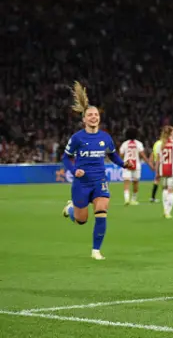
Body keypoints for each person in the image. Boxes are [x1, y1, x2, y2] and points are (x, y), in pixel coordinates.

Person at [61, 82, 134, 260]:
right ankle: (71, 209)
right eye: (90, 115)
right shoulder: (77, 138)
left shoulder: (105, 137)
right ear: (84, 119)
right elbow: (65, 158)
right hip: (81, 183)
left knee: (102, 211)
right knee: (81, 220)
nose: (93, 117)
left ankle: (96, 250)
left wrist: (124, 164)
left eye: (95, 115)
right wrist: (74, 170)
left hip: (99, 180)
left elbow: (113, 156)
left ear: (99, 118)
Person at [154, 126, 173, 219]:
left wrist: (157, 172)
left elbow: (158, 160)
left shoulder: (160, 144)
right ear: (172, 133)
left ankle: (165, 209)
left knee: (164, 189)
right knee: (171, 190)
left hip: (163, 170)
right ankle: (168, 212)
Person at [119, 128, 151, 206]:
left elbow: (121, 155)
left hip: (127, 165)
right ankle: (133, 199)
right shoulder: (139, 144)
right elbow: (142, 155)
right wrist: (149, 164)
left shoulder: (124, 144)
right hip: (136, 165)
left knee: (126, 182)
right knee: (135, 183)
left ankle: (126, 199)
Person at [150, 135, 163, 203]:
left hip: (157, 162)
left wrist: (152, 164)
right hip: (163, 162)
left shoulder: (156, 144)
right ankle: (166, 197)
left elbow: (153, 154)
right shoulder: (163, 143)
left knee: (157, 180)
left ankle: (153, 197)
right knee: (166, 180)